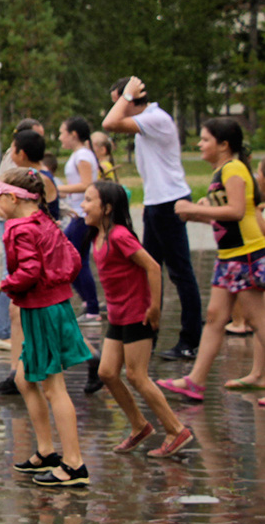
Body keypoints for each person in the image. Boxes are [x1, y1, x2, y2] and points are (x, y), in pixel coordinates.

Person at [0, 169, 90, 487]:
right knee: (24, 377)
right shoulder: (44, 221)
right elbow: (72, 258)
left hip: (41, 310)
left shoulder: (19, 228)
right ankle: (46, 450)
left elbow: (29, 270)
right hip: (51, 307)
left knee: (54, 388)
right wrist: (55, 282)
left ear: (13, 198)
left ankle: (73, 464)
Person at [83, 181, 195, 457]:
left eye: (88, 201)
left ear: (107, 208)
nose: (83, 206)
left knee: (136, 375)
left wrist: (154, 308)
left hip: (137, 314)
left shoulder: (120, 235)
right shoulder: (98, 236)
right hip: (118, 316)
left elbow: (153, 267)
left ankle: (176, 429)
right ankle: (139, 426)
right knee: (107, 372)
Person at [158, 118, 265, 404]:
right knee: (216, 319)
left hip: (246, 255)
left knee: (258, 320)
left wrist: (193, 208)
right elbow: (224, 220)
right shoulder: (221, 171)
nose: (200, 144)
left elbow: (239, 211)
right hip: (228, 257)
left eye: (205, 140)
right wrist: (197, 213)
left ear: (224, 145)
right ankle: (195, 381)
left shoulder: (233, 168)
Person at [103, 76, 204, 361]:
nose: (117, 108)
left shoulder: (156, 118)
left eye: (120, 101)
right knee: (150, 271)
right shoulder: (146, 122)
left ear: (132, 97)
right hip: (155, 204)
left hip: (170, 203)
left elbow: (109, 123)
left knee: (180, 273)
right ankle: (148, 335)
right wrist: (126, 97)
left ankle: (190, 340)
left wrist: (126, 95)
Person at [56, 117, 102, 323]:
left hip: (83, 215)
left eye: (62, 132)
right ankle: (88, 302)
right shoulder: (80, 155)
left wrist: (57, 189)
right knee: (73, 258)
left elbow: (87, 185)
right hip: (78, 212)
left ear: (73, 134)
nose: (60, 137)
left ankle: (92, 307)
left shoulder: (83, 155)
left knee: (75, 259)